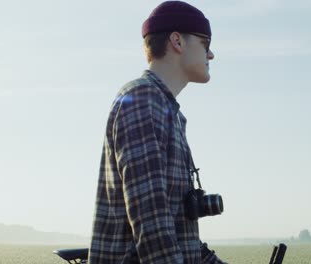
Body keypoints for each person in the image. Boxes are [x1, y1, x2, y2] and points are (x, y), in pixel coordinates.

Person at [88, 1, 225, 263]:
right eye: (205, 43)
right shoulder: (141, 100)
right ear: (177, 41)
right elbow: (153, 230)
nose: (211, 55)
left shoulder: (169, 111)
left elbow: (177, 229)